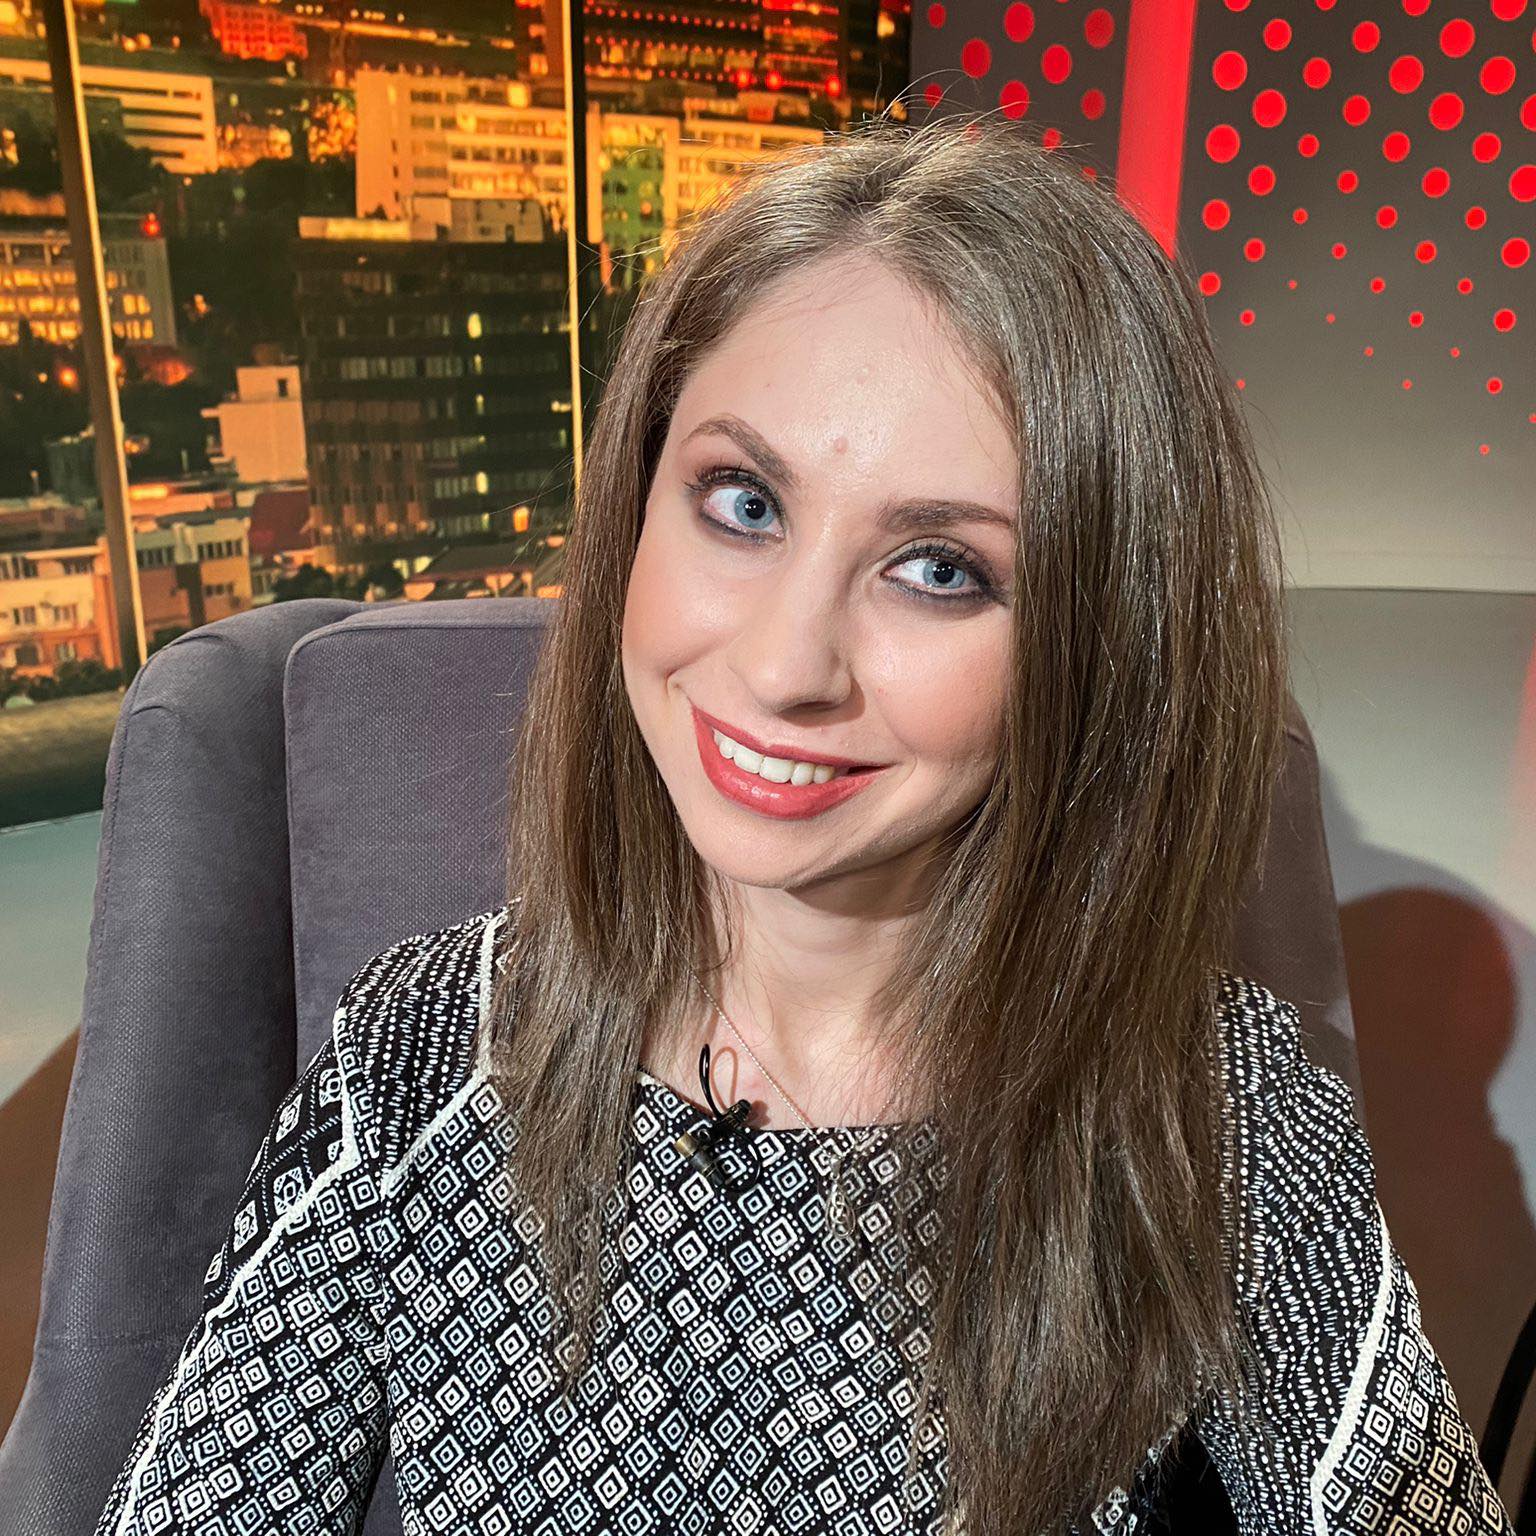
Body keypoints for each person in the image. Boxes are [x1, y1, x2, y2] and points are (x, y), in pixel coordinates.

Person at [94, 113, 1515, 1536]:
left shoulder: (1211, 1105)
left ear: (1102, 648)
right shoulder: (426, 1049)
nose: (784, 668)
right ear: (636, 503)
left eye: (940, 569)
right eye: (742, 501)